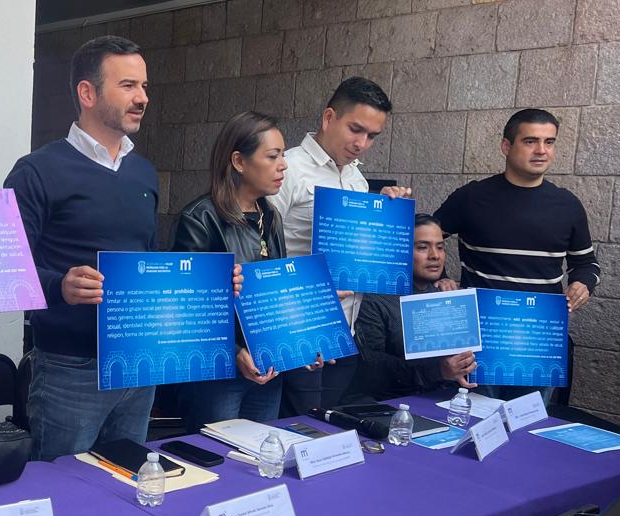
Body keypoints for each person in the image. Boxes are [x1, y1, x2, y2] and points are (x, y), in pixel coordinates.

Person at [6, 35, 159, 460]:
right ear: (87, 93)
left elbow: (150, 263)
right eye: (128, 85)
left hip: (136, 364)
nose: (142, 97)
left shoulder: (145, 173)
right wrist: (61, 286)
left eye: (144, 86)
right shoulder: (36, 171)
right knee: (63, 489)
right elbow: (7, 270)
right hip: (68, 371)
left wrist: (211, 283)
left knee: (127, 485)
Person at [435, 108, 598, 402]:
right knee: (474, 421)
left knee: (530, 424)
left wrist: (583, 284)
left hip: (539, 339)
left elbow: (586, 263)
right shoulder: (471, 197)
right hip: (479, 338)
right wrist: (442, 278)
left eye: (549, 142)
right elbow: (423, 239)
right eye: (530, 141)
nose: (541, 150)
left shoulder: (568, 205)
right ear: (506, 146)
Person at [269, 76, 410, 414]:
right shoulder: (288, 169)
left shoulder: (356, 180)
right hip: (298, 331)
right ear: (329, 118)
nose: (362, 143)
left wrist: (383, 210)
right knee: (296, 431)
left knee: (327, 431)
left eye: (372, 136)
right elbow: (260, 252)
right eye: (355, 129)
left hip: (344, 336)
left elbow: (358, 254)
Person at [171, 111, 288, 428]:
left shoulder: (271, 216)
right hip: (218, 373)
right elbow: (186, 308)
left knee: (261, 451)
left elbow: (278, 292)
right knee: (218, 454)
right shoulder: (200, 218)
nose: (283, 165)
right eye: (273, 156)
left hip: (268, 364)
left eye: (283, 155)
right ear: (238, 161)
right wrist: (235, 351)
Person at [349, 215, 476, 402]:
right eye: (423, 247)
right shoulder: (375, 300)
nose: (435, 255)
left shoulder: (446, 295)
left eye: (440, 247)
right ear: (400, 251)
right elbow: (371, 368)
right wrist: (437, 371)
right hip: (392, 404)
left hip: (447, 400)